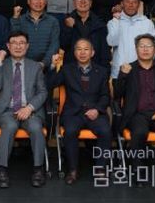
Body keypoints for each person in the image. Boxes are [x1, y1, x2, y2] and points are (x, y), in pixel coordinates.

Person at [115, 34, 155, 188]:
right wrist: (123, 75)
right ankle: (139, 172)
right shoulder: (129, 69)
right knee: (139, 132)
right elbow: (117, 94)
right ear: (136, 49)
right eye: (141, 46)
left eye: (149, 46)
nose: (145, 49)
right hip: (137, 114)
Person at [48, 39, 112, 185]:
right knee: (70, 132)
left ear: (92, 52)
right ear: (74, 52)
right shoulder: (67, 69)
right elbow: (50, 84)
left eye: (86, 49)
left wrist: (97, 110)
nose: (82, 52)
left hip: (95, 113)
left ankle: (100, 168)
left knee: (105, 131)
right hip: (73, 113)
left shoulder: (102, 71)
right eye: (79, 49)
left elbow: (105, 96)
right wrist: (52, 66)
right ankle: (72, 170)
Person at [0, 31, 48, 188]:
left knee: (36, 127)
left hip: (30, 111)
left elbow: (43, 92)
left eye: (21, 43)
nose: (18, 46)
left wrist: (29, 107)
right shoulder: (2, 65)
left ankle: (38, 169)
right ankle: (2, 169)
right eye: (14, 43)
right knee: (9, 126)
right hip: (8, 111)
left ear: (27, 46)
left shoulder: (35, 66)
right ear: (8, 46)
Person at [107, 0, 155, 83]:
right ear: (122, 3)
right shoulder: (113, 22)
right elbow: (112, 42)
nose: (131, 4)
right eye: (127, 1)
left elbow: (152, 49)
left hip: (141, 73)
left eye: (134, 1)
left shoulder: (147, 23)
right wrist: (117, 20)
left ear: (139, 4)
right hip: (119, 73)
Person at [60, 0, 111, 71]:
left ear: (91, 3)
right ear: (74, 2)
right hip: (72, 71)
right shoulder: (66, 20)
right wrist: (69, 28)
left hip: (95, 70)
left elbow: (105, 52)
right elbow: (63, 45)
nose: (83, 1)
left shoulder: (100, 23)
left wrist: (104, 72)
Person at [10, 0, 60, 69]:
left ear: (46, 2)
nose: (38, 2)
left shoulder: (53, 21)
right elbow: (15, 41)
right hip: (23, 65)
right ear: (28, 1)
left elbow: (54, 45)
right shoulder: (20, 20)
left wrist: (44, 63)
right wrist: (15, 19)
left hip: (46, 66)